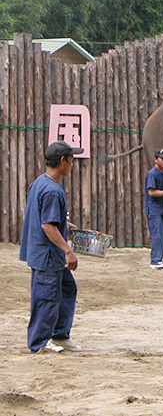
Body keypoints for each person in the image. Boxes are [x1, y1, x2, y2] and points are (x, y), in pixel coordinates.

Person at [19, 141, 84, 353]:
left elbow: (45, 218)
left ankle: (60, 335)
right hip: (48, 255)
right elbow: (47, 225)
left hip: (45, 252)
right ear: (63, 161)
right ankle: (38, 343)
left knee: (67, 289)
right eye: (71, 159)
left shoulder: (40, 182)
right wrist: (68, 250)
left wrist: (64, 225)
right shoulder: (52, 191)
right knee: (46, 297)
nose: (73, 164)